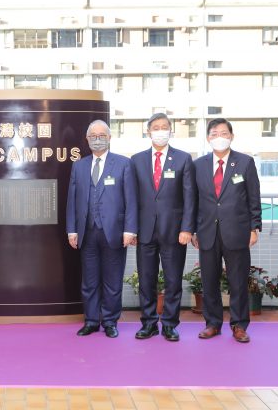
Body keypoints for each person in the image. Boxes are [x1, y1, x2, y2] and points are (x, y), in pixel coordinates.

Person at [66, 120, 138, 338]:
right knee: (89, 281)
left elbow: (131, 199)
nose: (98, 139)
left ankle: (109, 321)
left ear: (109, 138)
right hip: (86, 232)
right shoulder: (79, 165)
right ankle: (90, 320)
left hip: (114, 232)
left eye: (102, 135)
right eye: (93, 135)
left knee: (112, 280)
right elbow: (72, 199)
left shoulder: (123, 164)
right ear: (87, 139)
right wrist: (72, 230)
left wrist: (130, 230)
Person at [192, 118, 261, 343]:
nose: (219, 136)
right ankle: (213, 323)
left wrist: (254, 227)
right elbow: (192, 200)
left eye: (224, 132)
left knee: (238, 282)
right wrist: (192, 230)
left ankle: (239, 325)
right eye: (214, 133)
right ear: (208, 138)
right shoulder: (198, 164)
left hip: (238, 231)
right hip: (206, 232)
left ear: (231, 136)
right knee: (209, 281)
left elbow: (253, 197)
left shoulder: (245, 162)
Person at [130, 113, 196, 342]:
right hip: (145, 231)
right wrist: (131, 229)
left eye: (164, 127)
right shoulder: (136, 160)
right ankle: (148, 323)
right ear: (148, 132)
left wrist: (187, 228)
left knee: (173, 280)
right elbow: (132, 198)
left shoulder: (183, 159)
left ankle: (169, 324)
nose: (160, 131)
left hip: (175, 231)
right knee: (146, 280)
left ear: (171, 131)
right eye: (156, 127)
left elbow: (190, 197)